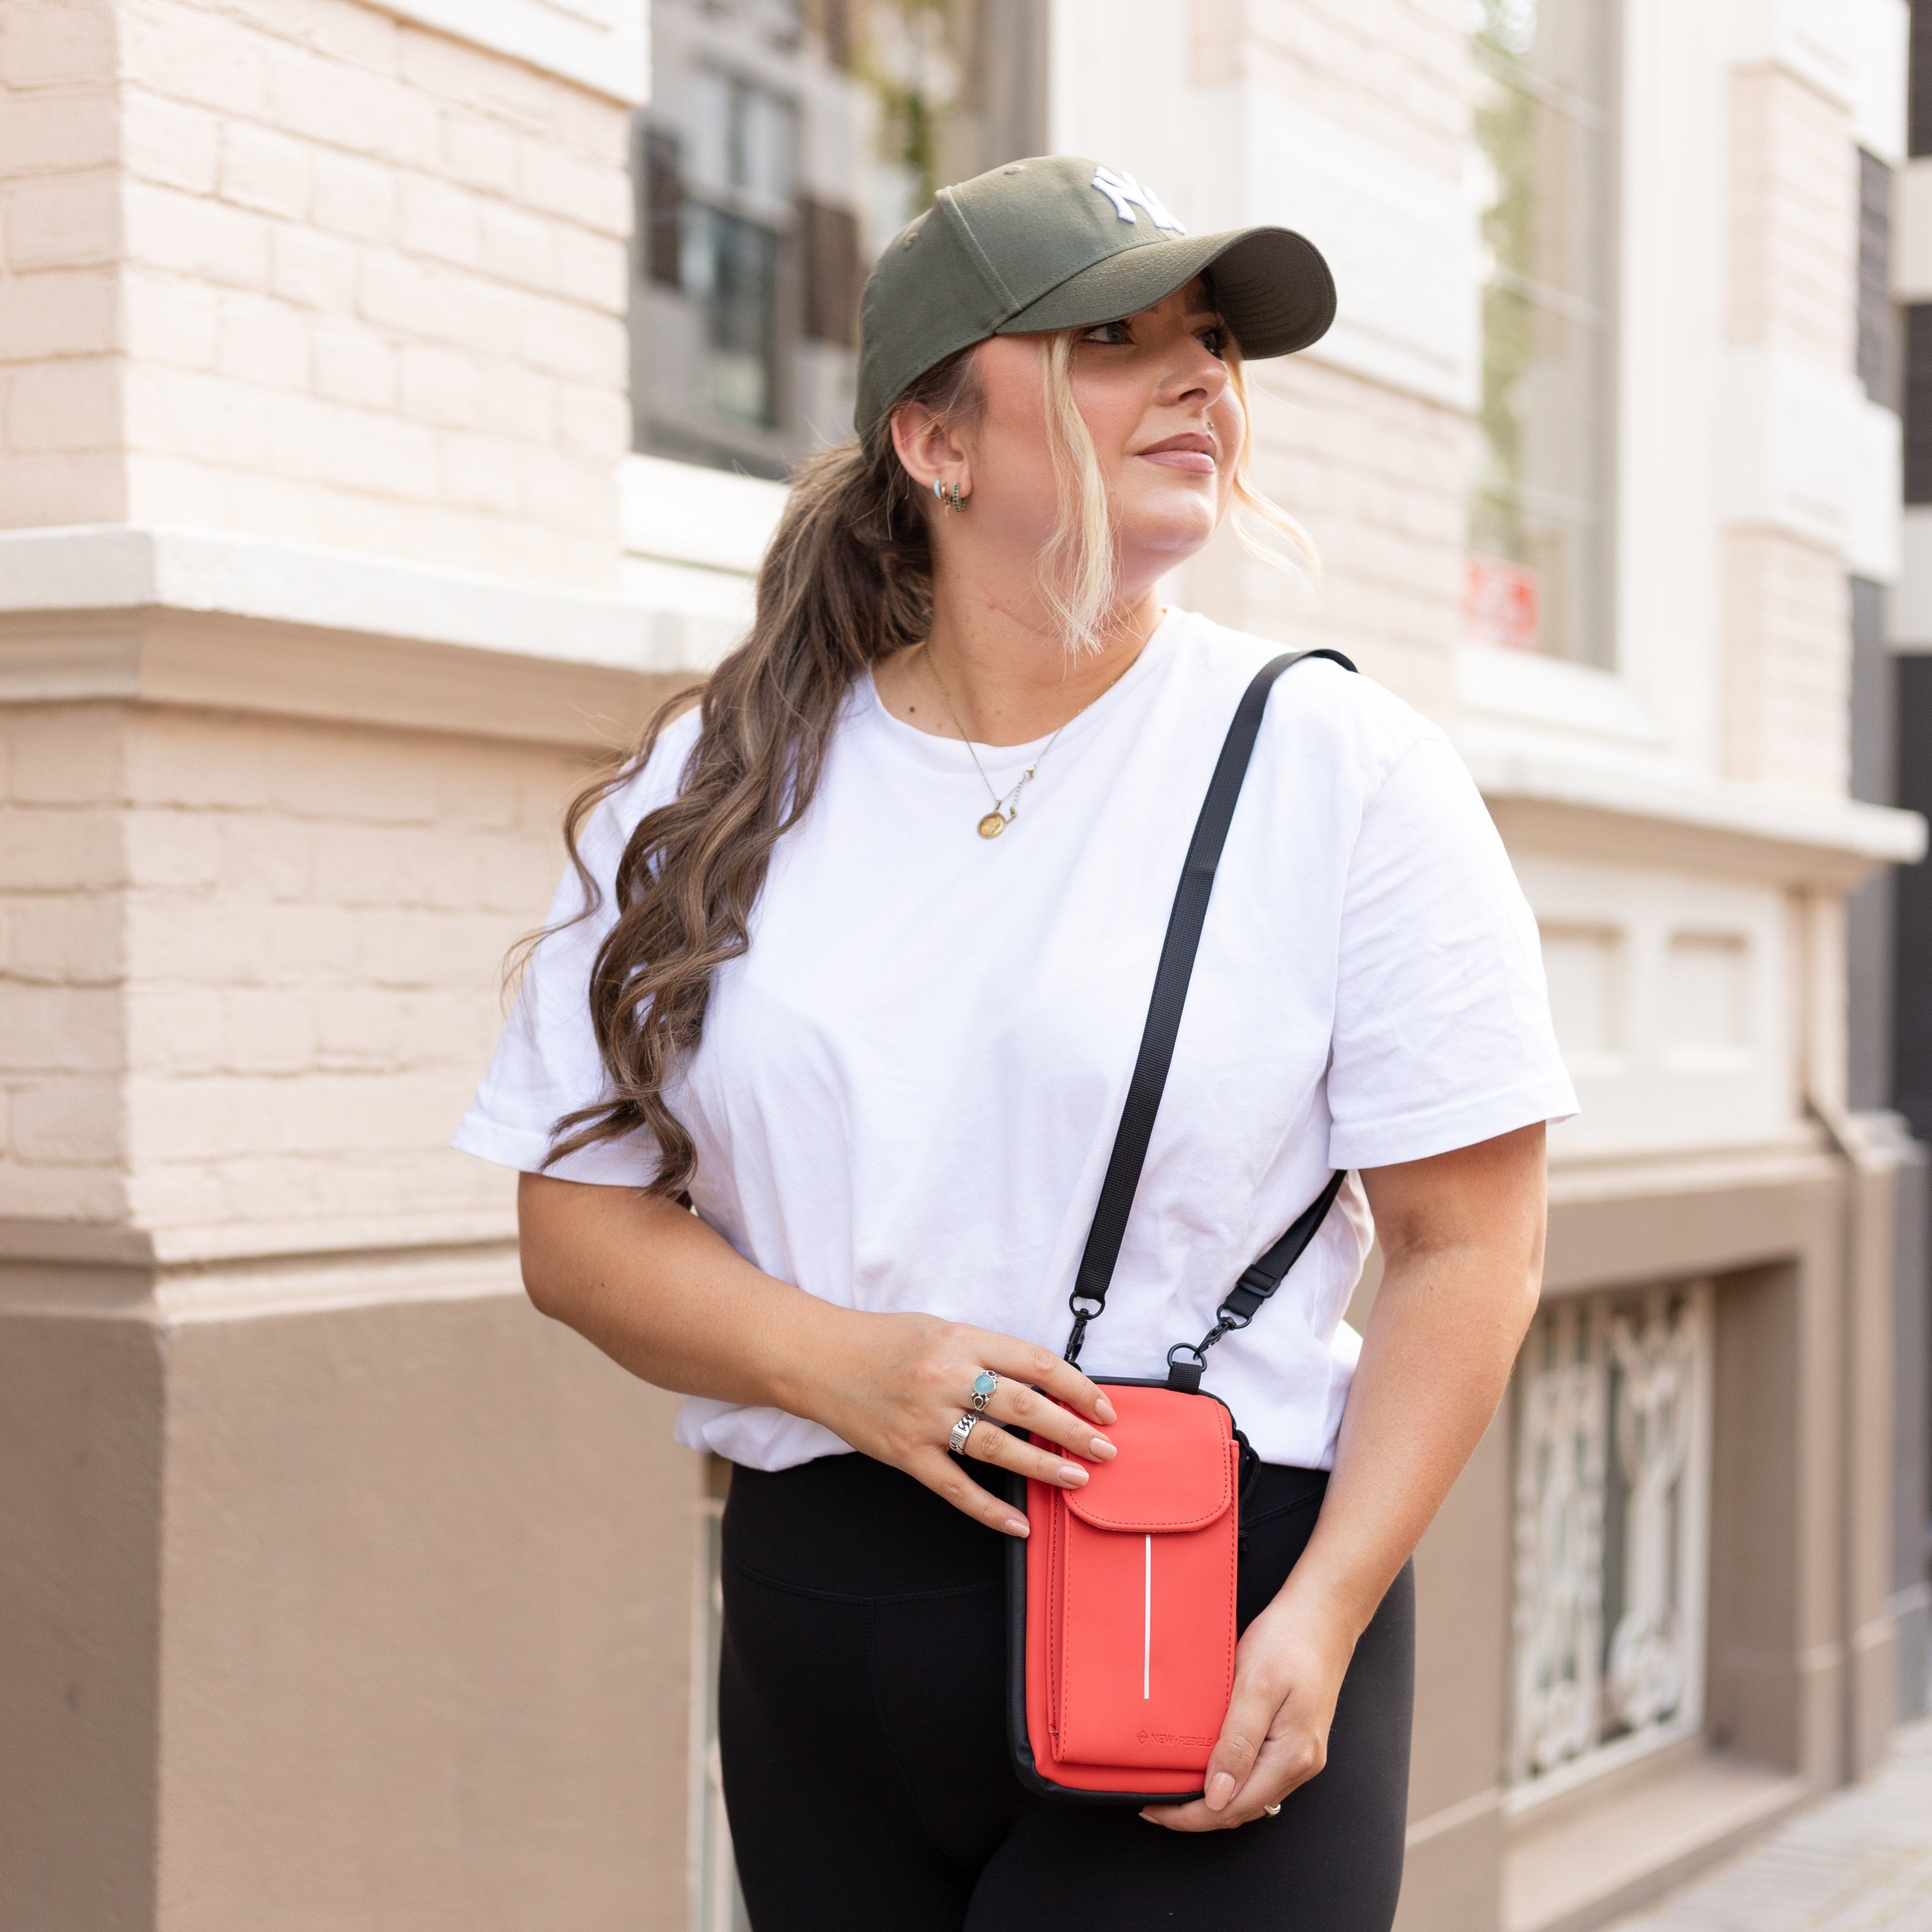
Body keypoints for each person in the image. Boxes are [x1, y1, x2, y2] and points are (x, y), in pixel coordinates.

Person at [454, 154, 1577, 1932]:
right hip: (824, 1619)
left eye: (1209, 338)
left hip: (1201, 1602)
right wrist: (849, 1368)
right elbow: (573, 1224)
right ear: (937, 440)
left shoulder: (1338, 769)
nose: (1200, 375)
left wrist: (1327, 1612)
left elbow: (1468, 1243)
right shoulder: (716, 787)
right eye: (1114, 340)